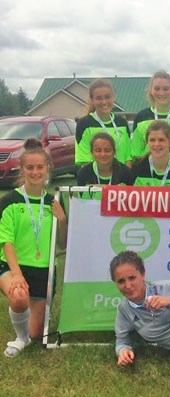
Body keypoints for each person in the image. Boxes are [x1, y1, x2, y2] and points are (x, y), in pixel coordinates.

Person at [0, 138, 68, 357]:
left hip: (44, 270)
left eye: (40, 167)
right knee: (19, 295)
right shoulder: (10, 200)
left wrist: (63, 220)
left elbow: (63, 244)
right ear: (22, 169)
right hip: (13, 265)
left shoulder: (53, 201)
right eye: (30, 167)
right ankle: (20, 339)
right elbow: (6, 242)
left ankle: (30, 325)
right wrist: (17, 274)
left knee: (36, 333)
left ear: (48, 168)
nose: (35, 172)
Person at [131, 70, 170, 161]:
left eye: (165, 89)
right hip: (149, 172)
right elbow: (136, 154)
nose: (161, 93)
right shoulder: (141, 118)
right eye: (157, 88)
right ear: (151, 91)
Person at [75, 79, 131, 166]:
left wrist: (126, 177)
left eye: (107, 97)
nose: (104, 102)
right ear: (92, 100)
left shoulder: (122, 123)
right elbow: (85, 161)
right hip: (95, 179)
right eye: (99, 98)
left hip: (122, 178)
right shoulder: (84, 125)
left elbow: (128, 157)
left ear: (113, 97)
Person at [132, 121, 170, 187]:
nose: (156, 144)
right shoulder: (138, 167)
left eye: (161, 140)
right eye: (152, 140)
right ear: (147, 142)